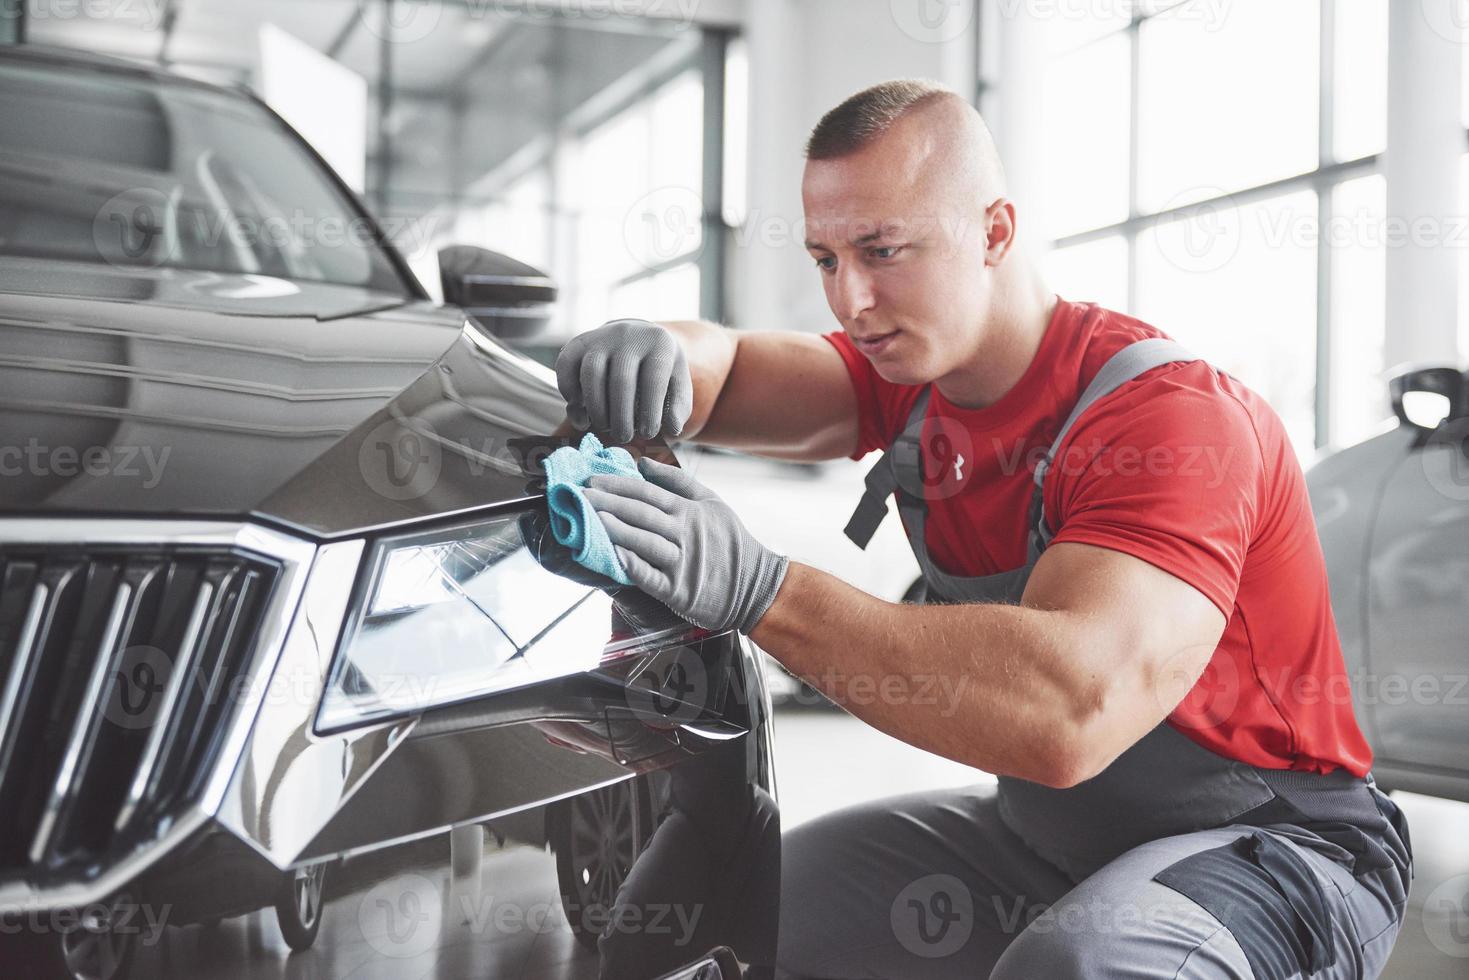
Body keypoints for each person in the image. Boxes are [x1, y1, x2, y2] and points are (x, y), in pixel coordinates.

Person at [558, 79, 1412, 978]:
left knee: (1082, 963)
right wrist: (657, 348)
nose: (850, 299)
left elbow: (1067, 713)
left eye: (883, 250)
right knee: (756, 912)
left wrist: (762, 593)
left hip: (1278, 854)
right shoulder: (914, 376)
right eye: (824, 258)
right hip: (1046, 843)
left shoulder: (1167, 420)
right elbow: (728, 374)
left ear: (994, 232)